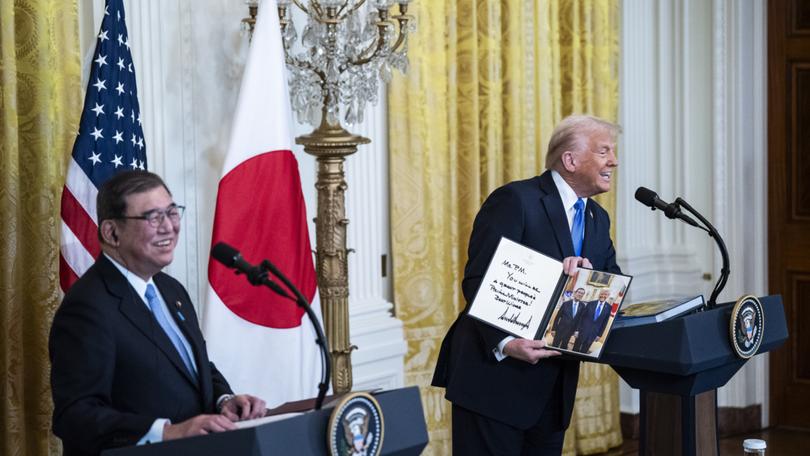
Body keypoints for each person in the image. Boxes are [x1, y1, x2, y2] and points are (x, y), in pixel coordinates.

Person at [432, 114, 623, 455]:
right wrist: (506, 343)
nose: (614, 161)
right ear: (571, 160)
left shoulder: (597, 218)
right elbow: (479, 280)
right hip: (494, 379)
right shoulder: (515, 200)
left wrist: (593, 281)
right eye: (604, 151)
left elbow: (609, 288)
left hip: (553, 391)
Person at [50, 171, 266, 456]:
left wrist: (224, 400)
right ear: (112, 233)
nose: (169, 227)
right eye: (153, 217)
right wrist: (166, 432)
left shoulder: (170, 289)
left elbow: (193, 367)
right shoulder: (87, 308)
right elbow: (75, 416)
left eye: (172, 212)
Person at [573, 288, 613, 354]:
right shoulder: (590, 303)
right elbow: (581, 317)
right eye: (602, 293)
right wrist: (577, 330)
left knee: (584, 352)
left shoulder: (608, 307)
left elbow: (604, 322)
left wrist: (599, 335)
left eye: (605, 294)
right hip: (582, 331)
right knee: (575, 349)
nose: (603, 295)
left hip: (593, 334)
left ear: (608, 296)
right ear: (599, 294)